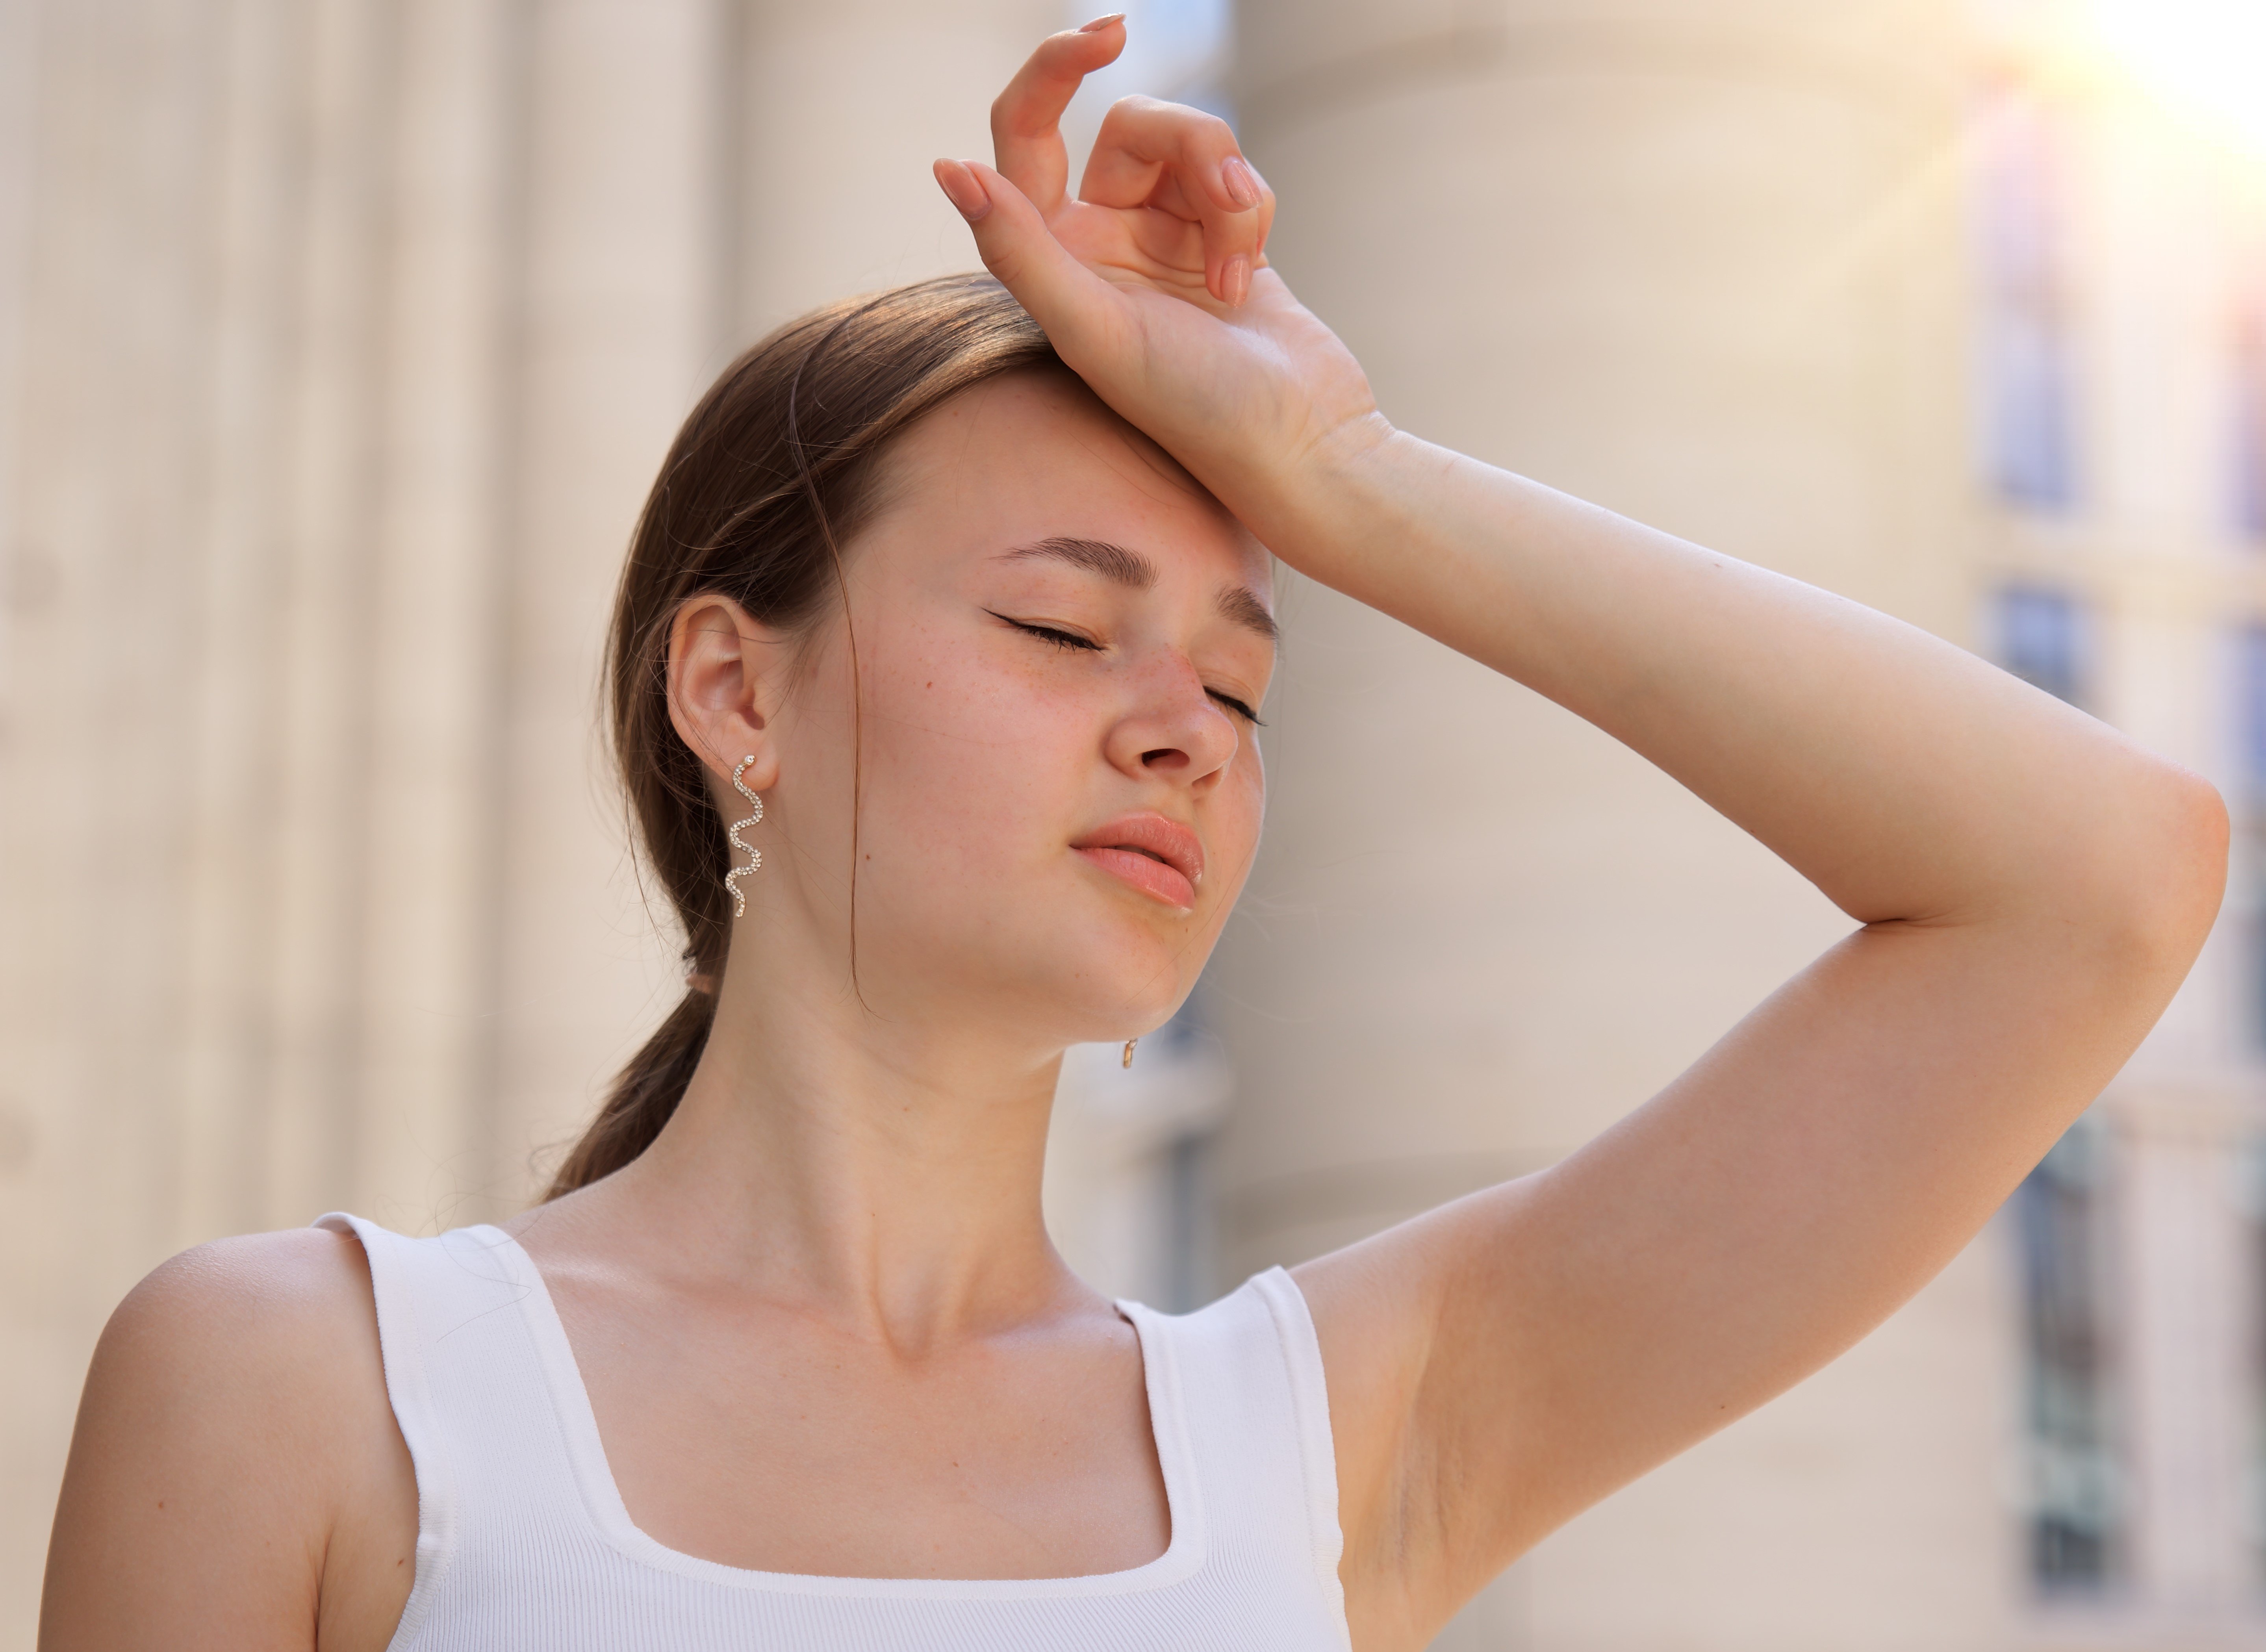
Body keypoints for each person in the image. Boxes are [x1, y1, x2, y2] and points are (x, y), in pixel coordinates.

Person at [39, 19, 2224, 1652]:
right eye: (1064, 626)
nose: (1184, 728)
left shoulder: (1318, 1443)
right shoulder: (305, 1384)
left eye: (1248, 681)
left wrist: (1349, 473)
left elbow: (2098, 880)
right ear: (738, 689)